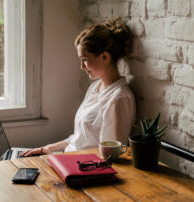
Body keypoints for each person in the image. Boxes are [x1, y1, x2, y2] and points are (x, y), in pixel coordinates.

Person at [21, 17, 136, 157]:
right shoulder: (95, 88)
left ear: (104, 57)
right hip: (69, 159)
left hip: (82, 168)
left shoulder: (119, 99)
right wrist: (47, 149)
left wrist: (62, 160)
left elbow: (111, 156)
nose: (81, 67)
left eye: (85, 60)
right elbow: (79, 138)